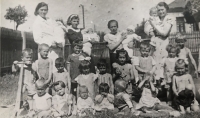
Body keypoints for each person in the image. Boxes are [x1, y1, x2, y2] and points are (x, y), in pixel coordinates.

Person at [33, 2, 66, 72]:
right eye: (41, 10)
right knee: (49, 68)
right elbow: (37, 38)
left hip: (56, 47)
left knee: (57, 67)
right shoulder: (37, 22)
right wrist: (50, 44)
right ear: (37, 10)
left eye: (45, 10)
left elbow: (57, 28)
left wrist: (58, 42)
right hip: (47, 49)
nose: (43, 12)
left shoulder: (49, 20)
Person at [148, 2, 174, 84]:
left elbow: (164, 33)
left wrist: (153, 25)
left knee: (164, 62)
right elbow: (148, 29)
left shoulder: (169, 18)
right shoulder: (156, 18)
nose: (160, 12)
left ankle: (166, 84)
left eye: (162, 9)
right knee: (156, 63)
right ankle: (158, 87)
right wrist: (150, 31)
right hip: (156, 42)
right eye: (159, 10)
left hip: (164, 42)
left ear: (166, 9)